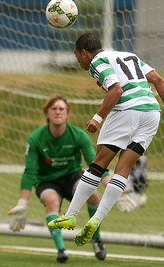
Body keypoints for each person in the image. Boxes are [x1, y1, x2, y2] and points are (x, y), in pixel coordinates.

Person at [48, 32, 164, 247]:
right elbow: (158, 79)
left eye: (77, 56)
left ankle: (71, 215)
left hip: (127, 110)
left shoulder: (96, 62)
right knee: (124, 169)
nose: (78, 61)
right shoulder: (130, 55)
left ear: (84, 52)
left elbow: (116, 89)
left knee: (98, 165)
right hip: (151, 113)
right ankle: (96, 220)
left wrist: (97, 118)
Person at [8, 94, 111, 263]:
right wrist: (22, 203)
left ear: (67, 113)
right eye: (53, 109)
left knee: (92, 194)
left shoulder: (78, 135)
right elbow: (30, 171)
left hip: (72, 176)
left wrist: (110, 185)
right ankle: (61, 250)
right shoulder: (35, 138)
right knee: (51, 201)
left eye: (61, 109)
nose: (57, 112)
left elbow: (96, 162)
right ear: (47, 113)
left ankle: (96, 240)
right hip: (47, 180)